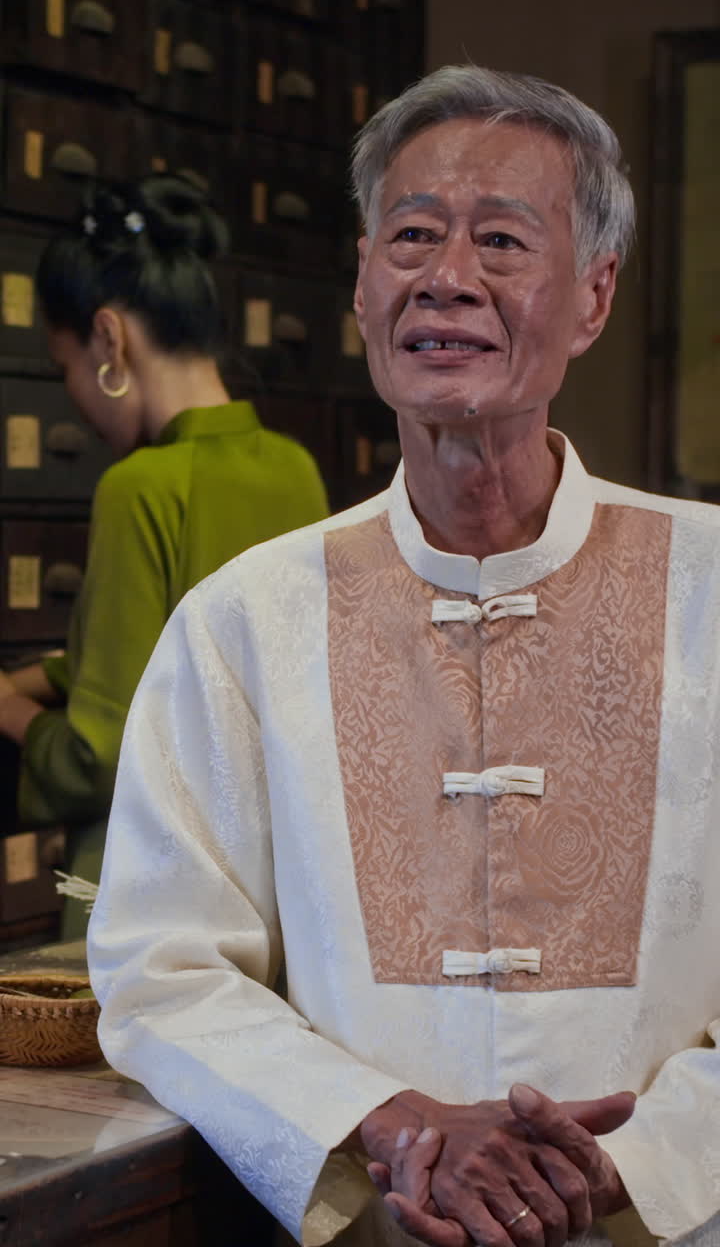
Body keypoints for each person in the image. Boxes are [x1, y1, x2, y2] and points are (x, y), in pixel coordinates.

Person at [87, 67, 720, 1247]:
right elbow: (158, 963)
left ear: (593, 297)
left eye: (500, 240)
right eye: (414, 234)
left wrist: (623, 1160)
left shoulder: (714, 592)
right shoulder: (243, 622)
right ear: (366, 286)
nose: (448, 277)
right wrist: (389, 1118)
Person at [0, 175, 328, 936]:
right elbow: (183, 645)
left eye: (66, 369)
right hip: (272, 893)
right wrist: (38, 674)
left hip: (148, 899)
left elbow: (99, 755)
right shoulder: (293, 468)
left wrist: (12, 710)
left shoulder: (138, 488)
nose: (75, 397)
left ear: (109, 339)